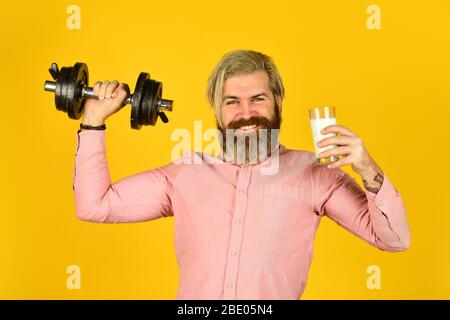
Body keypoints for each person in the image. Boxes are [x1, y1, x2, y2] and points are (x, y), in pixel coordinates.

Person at [73, 50, 410, 300]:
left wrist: (369, 170)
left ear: (278, 101)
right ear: (216, 110)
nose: (246, 113)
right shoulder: (185, 173)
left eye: (258, 99)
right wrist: (93, 118)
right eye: (232, 101)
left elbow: (393, 240)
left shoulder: (316, 174)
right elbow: (95, 206)